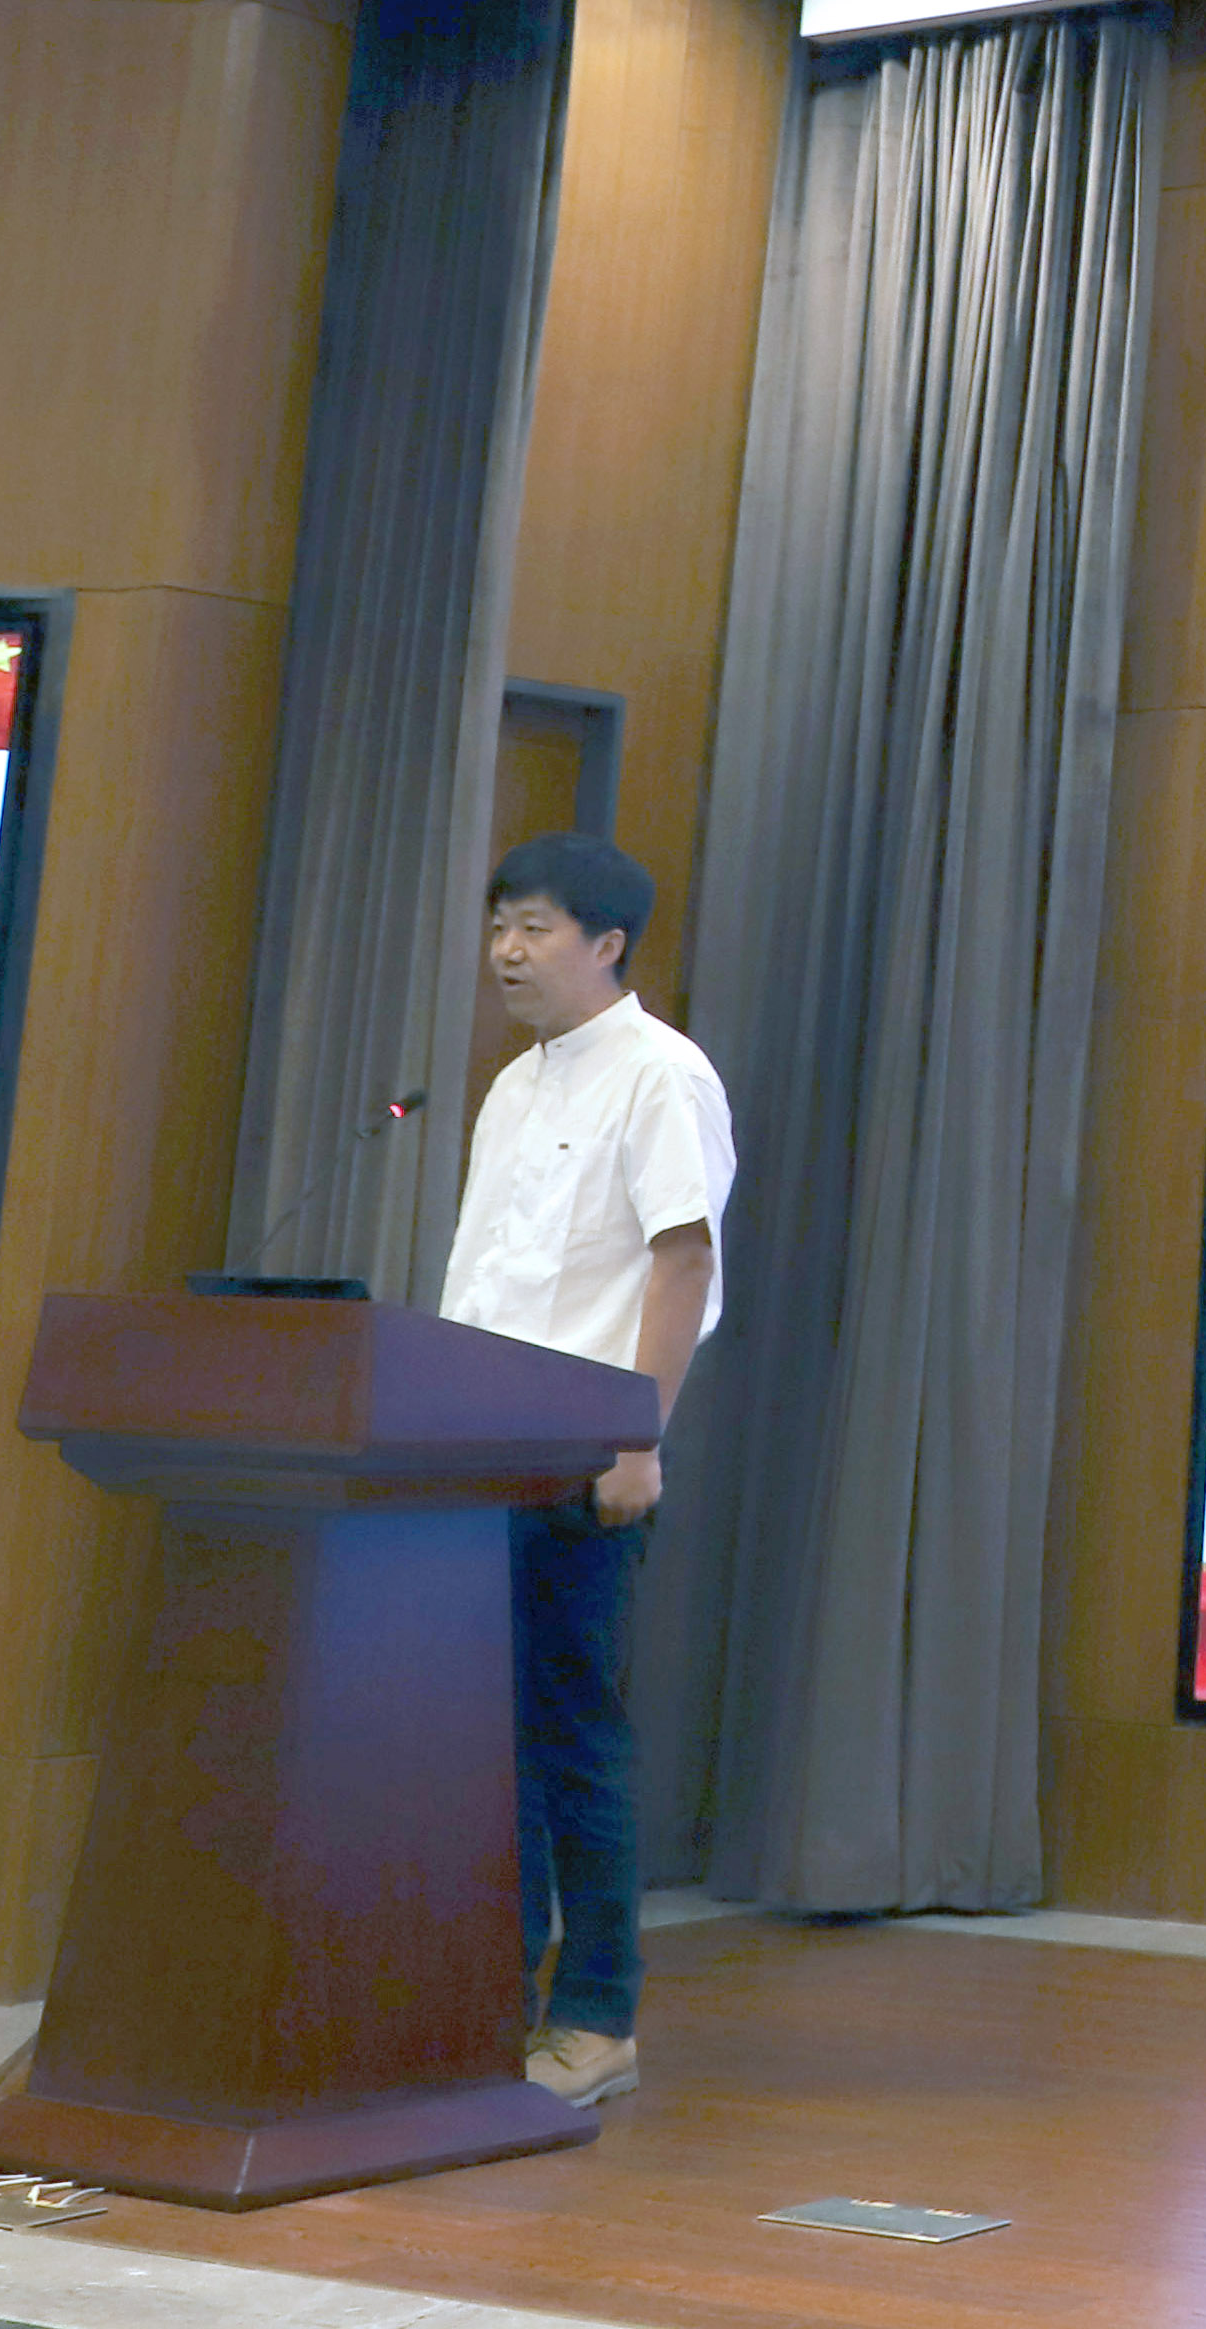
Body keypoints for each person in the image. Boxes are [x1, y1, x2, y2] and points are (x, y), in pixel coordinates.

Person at [434, 831, 734, 2114]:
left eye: (536, 928)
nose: (507, 950)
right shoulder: (515, 1084)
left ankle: (598, 2017)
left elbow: (684, 1261)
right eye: (500, 924)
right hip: (473, 1453)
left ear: (608, 944)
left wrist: (637, 1438)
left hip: (584, 1456)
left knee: (574, 1740)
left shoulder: (663, 1076)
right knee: (480, 1745)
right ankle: (485, 2003)